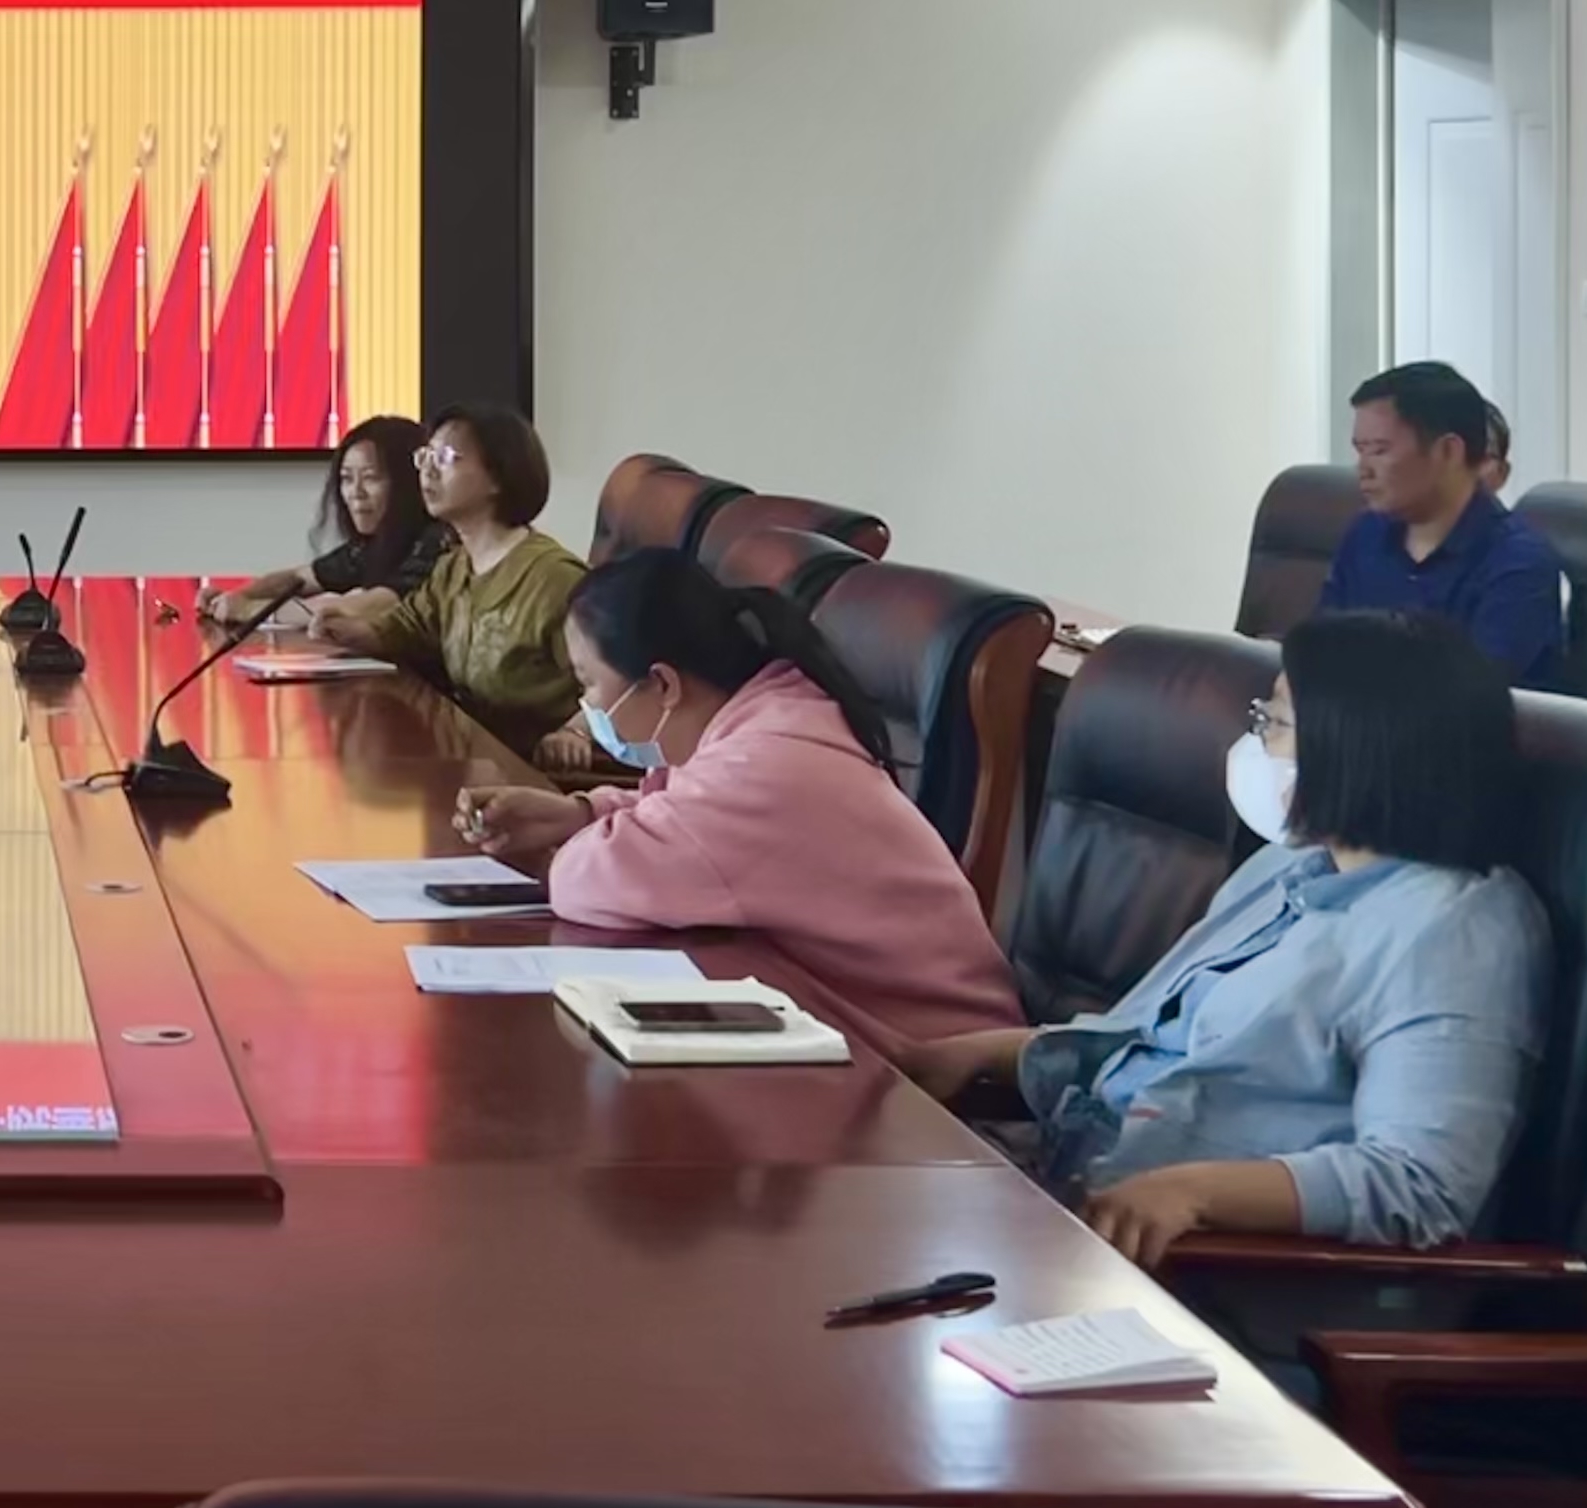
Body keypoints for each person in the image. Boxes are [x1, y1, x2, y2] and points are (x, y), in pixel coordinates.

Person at [900, 609, 1549, 1268]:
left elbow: (1422, 1183)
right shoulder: (1291, 869)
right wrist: (986, 1053)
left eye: (1276, 723)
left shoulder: (1456, 935)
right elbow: (1156, 1048)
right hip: (1069, 1194)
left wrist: (1194, 1193)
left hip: (1210, 1273)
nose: (1254, 744)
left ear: (1356, 748)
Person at [457, 550, 1022, 1060]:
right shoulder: (765, 719)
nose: (587, 705)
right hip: (871, 1032)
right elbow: (689, 817)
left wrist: (559, 853)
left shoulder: (761, 766)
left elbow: (589, 881)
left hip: (952, 1074)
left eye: (588, 683)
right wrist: (581, 814)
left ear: (663, 684)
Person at [298, 405, 587, 738]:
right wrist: (347, 629)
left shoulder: (554, 579)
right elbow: (404, 630)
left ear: (498, 476)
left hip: (532, 760)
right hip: (471, 747)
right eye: (425, 457)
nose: (428, 471)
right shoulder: (453, 568)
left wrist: (574, 734)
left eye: (446, 458)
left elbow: (618, 686)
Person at [1315, 360, 1564, 686]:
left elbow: (1473, 697)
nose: (1363, 469)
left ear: (1448, 451)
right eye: (1359, 451)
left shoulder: (1519, 564)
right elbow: (1320, 652)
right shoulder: (1365, 535)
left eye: (1379, 451)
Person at [203, 415, 447, 629]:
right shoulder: (370, 545)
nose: (356, 493)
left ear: (409, 483)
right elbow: (299, 578)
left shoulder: (438, 539)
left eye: (370, 478)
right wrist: (235, 597)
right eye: (347, 479)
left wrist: (251, 611)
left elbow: (374, 605)